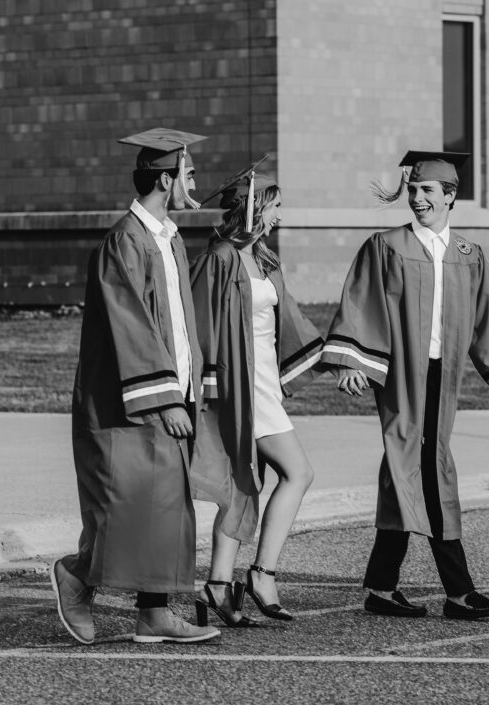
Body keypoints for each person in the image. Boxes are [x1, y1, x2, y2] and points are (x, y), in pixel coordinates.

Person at [322, 151, 489, 620]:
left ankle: (382, 587)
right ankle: (459, 590)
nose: (417, 198)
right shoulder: (387, 246)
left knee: (409, 467)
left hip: (443, 377)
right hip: (403, 374)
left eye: (427, 191)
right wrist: (351, 363)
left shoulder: (469, 254)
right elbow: (360, 305)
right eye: (413, 190)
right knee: (426, 466)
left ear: (450, 196)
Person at [49, 127, 220, 644]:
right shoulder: (126, 240)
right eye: (189, 174)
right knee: (124, 507)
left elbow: (179, 322)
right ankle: (76, 577)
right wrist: (166, 397)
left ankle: (155, 613)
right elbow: (132, 324)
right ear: (166, 180)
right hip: (128, 402)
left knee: (166, 507)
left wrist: (194, 385)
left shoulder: (167, 239)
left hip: (168, 393)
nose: (195, 182)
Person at [188, 161, 327, 627]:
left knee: (245, 484)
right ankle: (263, 574)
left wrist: (335, 360)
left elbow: (287, 319)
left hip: (265, 383)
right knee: (299, 472)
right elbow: (201, 329)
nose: (281, 216)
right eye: (276, 207)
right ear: (253, 209)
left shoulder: (264, 259)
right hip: (241, 388)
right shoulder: (220, 259)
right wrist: (213, 395)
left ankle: (218, 584)